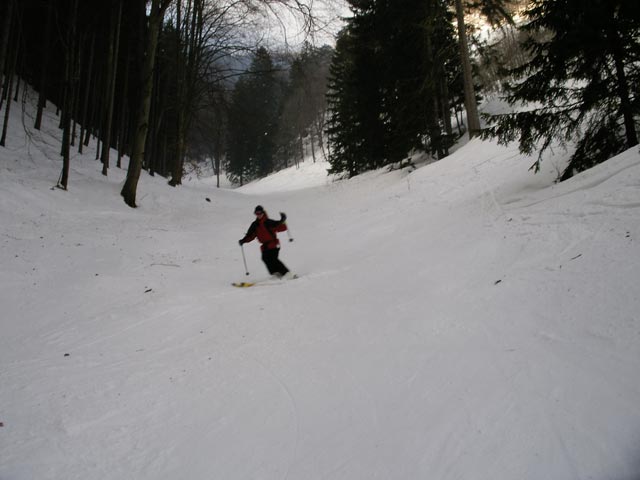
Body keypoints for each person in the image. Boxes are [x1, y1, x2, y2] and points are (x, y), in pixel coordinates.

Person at [239, 205, 291, 278]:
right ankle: (276, 274)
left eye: (260, 213)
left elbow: (281, 227)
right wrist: (243, 240)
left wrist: (282, 220)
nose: (259, 215)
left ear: (263, 212)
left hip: (273, 244)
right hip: (265, 246)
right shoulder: (255, 225)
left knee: (273, 259)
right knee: (265, 258)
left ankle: (286, 273)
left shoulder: (268, 222)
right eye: (257, 213)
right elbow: (250, 236)